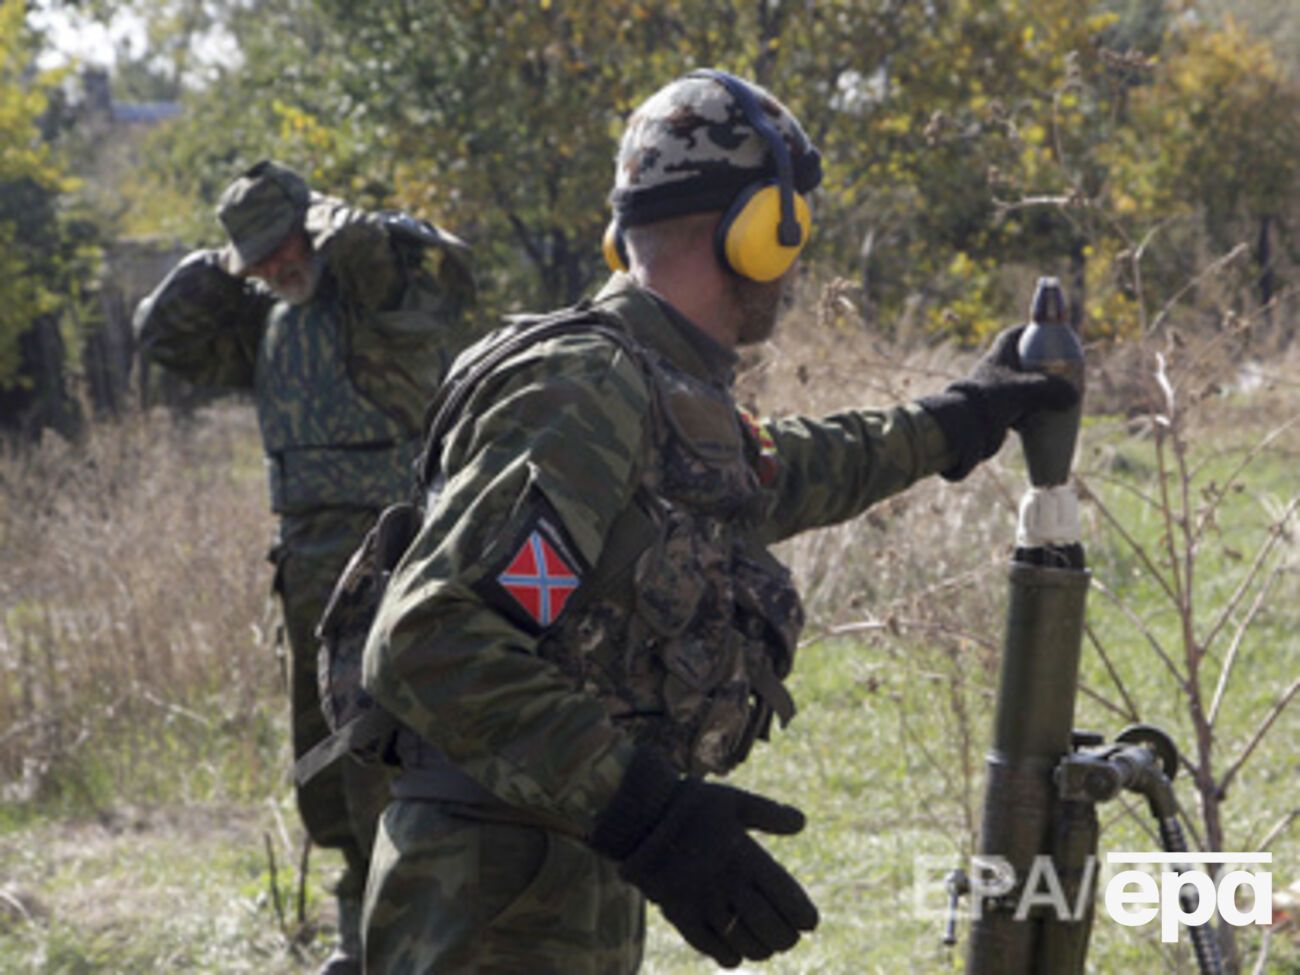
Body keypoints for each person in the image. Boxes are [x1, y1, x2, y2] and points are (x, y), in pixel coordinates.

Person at [359, 70, 1077, 973]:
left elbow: (778, 474)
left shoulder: (656, 388)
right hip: (492, 901)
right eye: (797, 227)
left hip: (544, 871)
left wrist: (960, 418)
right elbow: (428, 637)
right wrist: (648, 813)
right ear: (764, 230)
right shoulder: (585, 388)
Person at [133, 160, 478, 975]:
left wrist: (316, 219)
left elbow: (373, 243)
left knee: (384, 744)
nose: (273, 268)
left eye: (280, 247)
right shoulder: (269, 320)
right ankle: (362, 937)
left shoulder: (367, 284)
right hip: (306, 562)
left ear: (310, 226)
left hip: (388, 547)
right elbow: (161, 333)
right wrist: (225, 260)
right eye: (255, 259)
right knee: (324, 752)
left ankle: (419, 940)